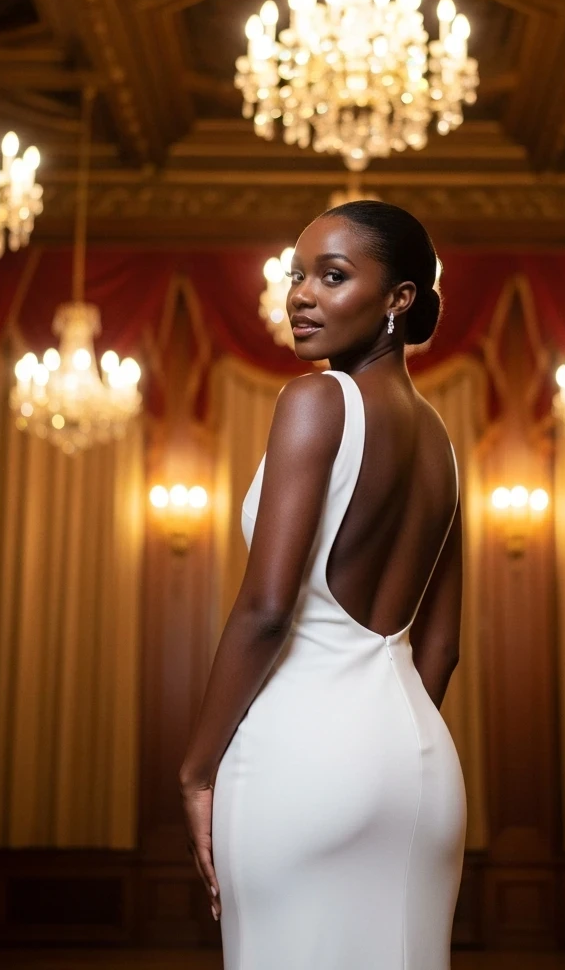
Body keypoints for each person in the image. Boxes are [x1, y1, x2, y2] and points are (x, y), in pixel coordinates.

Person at [180, 200, 466, 970]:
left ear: (399, 299)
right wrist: (376, 750)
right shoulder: (443, 444)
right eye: (296, 275)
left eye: (331, 277)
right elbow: (441, 647)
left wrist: (197, 771)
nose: (300, 295)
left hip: (296, 761)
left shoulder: (314, 401)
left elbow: (267, 610)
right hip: (419, 766)